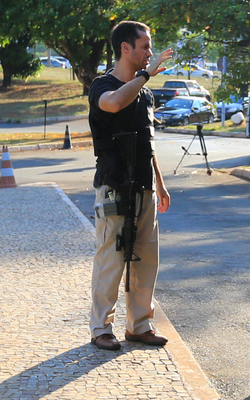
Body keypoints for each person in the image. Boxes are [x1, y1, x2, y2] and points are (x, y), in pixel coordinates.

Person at [88, 21, 174, 351]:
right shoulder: (102, 85)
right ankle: (101, 328)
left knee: (146, 260)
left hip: (145, 188)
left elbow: (147, 145)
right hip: (113, 187)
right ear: (126, 48)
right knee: (110, 259)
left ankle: (139, 325)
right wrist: (145, 76)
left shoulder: (146, 93)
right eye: (145, 47)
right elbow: (112, 103)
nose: (150, 53)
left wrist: (161, 184)